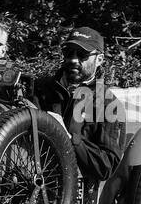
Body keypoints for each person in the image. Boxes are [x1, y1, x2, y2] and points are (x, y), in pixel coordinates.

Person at [32, 26, 124, 187]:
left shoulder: (108, 103)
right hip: (30, 175)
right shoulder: (40, 89)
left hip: (73, 189)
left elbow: (106, 167)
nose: (73, 59)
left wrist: (68, 138)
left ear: (99, 60)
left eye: (82, 54)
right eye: (68, 53)